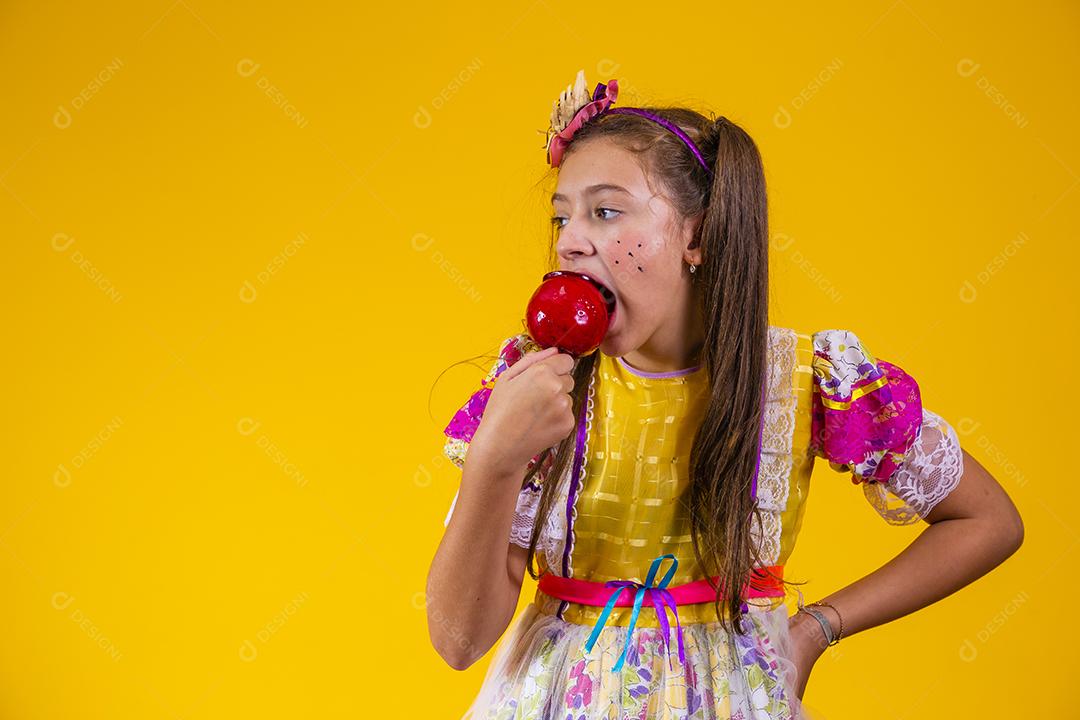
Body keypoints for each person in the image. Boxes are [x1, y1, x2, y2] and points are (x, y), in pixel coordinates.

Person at [426, 70, 1024, 719]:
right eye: (561, 215)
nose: (568, 241)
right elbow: (458, 642)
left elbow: (987, 522)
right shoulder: (539, 391)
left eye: (605, 211)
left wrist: (816, 627)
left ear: (698, 236)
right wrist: (495, 458)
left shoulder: (806, 380)